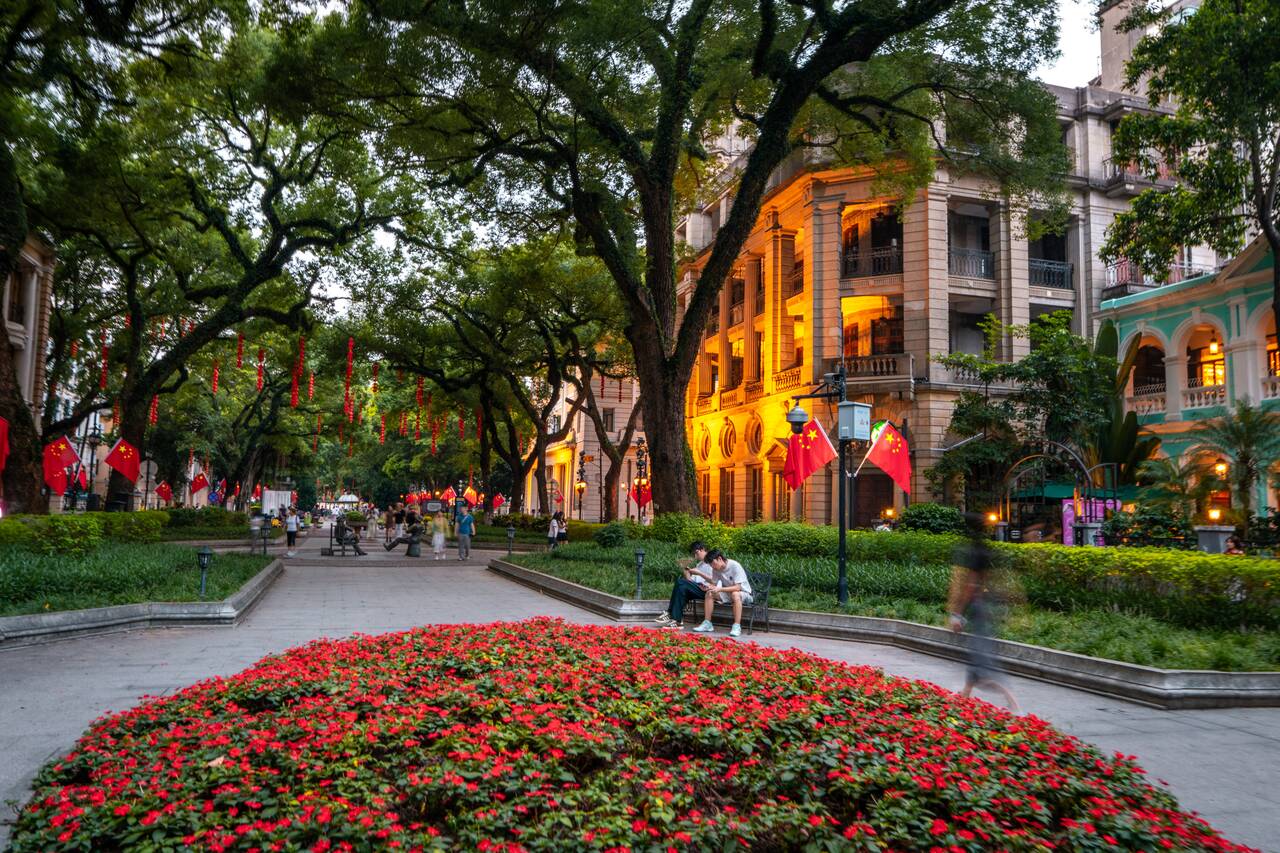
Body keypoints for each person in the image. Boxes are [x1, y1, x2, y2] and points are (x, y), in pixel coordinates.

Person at [948, 512, 1019, 712]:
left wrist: (957, 614)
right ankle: (965, 694)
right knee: (978, 653)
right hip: (987, 605)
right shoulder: (985, 548)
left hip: (978, 607)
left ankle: (1013, 703)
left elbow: (971, 584)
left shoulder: (973, 551)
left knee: (982, 658)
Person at [690, 550, 754, 638]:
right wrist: (709, 587)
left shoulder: (735, 566)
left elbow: (737, 587)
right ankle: (707, 624)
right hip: (728, 593)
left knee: (735, 594)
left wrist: (720, 589)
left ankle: (736, 626)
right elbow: (714, 583)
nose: (712, 567)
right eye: (710, 565)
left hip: (744, 594)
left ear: (719, 559)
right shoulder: (715, 569)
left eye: (713, 563)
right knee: (709, 593)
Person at [654, 542, 712, 630]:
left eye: (697, 553)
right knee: (681, 585)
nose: (696, 556)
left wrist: (699, 573)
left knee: (681, 583)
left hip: (709, 591)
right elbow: (690, 581)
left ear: (703, 549)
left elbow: (714, 580)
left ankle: (672, 615)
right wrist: (686, 571)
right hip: (698, 588)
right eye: (694, 554)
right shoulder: (699, 565)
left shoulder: (712, 562)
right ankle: (677, 620)